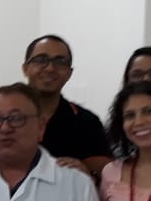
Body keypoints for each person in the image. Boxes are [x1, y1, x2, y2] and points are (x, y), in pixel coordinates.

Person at [22, 34, 111, 177]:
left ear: (69, 73)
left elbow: (103, 173)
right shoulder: (1, 117)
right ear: (25, 68)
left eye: (60, 61)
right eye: (41, 60)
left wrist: (86, 172)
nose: (50, 68)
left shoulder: (87, 122)